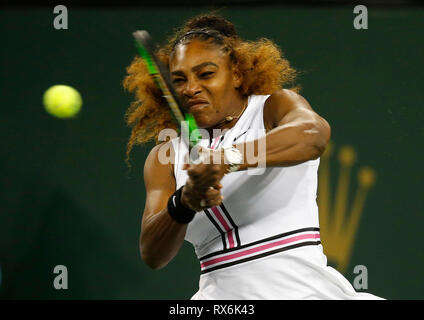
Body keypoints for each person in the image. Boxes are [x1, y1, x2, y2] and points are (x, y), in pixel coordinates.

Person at [123, 13, 383, 299]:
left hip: (306, 293)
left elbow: (313, 134)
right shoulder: (166, 155)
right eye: (179, 80)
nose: (191, 88)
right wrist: (184, 202)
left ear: (236, 73)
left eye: (206, 74)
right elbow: (152, 253)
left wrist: (225, 159)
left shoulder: (273, 107)